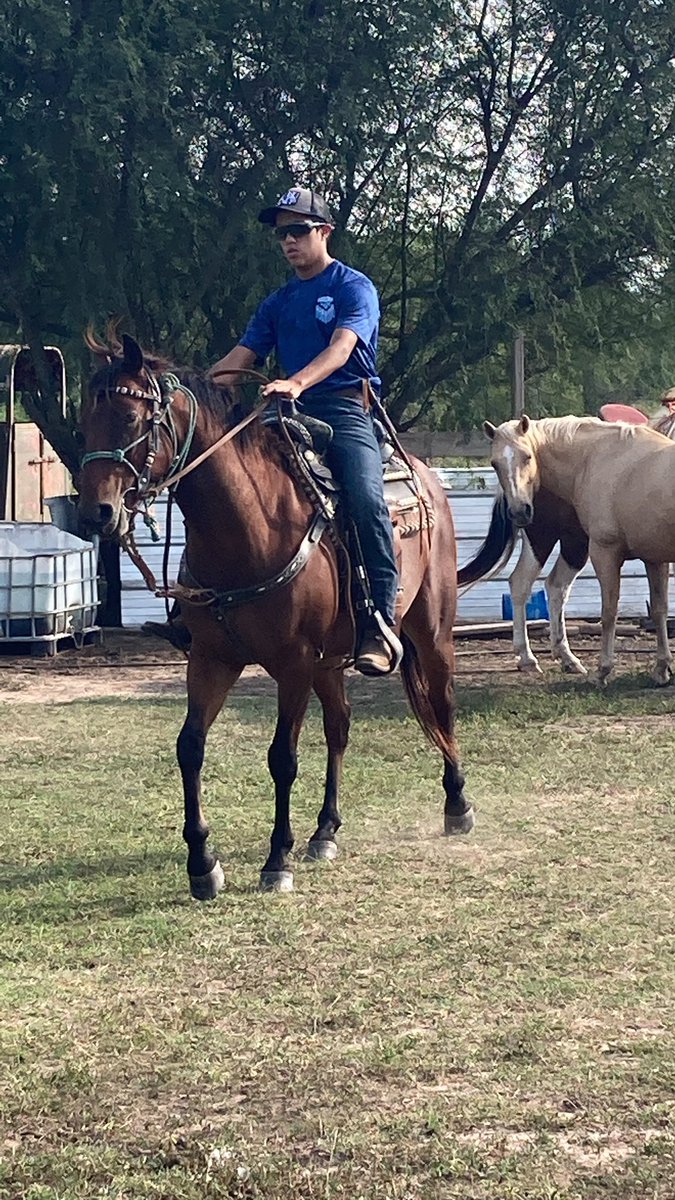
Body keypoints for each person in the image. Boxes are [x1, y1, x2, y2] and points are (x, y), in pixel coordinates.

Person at [146, 186, 403, 675]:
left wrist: (297, 382)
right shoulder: (278, 301)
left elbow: (343, 348)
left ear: (324, 232)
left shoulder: (353, 287)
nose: (288, 241)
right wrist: (186, 391)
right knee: (215, 481)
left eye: (298, 231)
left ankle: (378, 620)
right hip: (281, 409)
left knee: (366, 499)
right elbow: (240, 360)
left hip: (343, 406)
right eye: (281, 233)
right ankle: (189, 607)